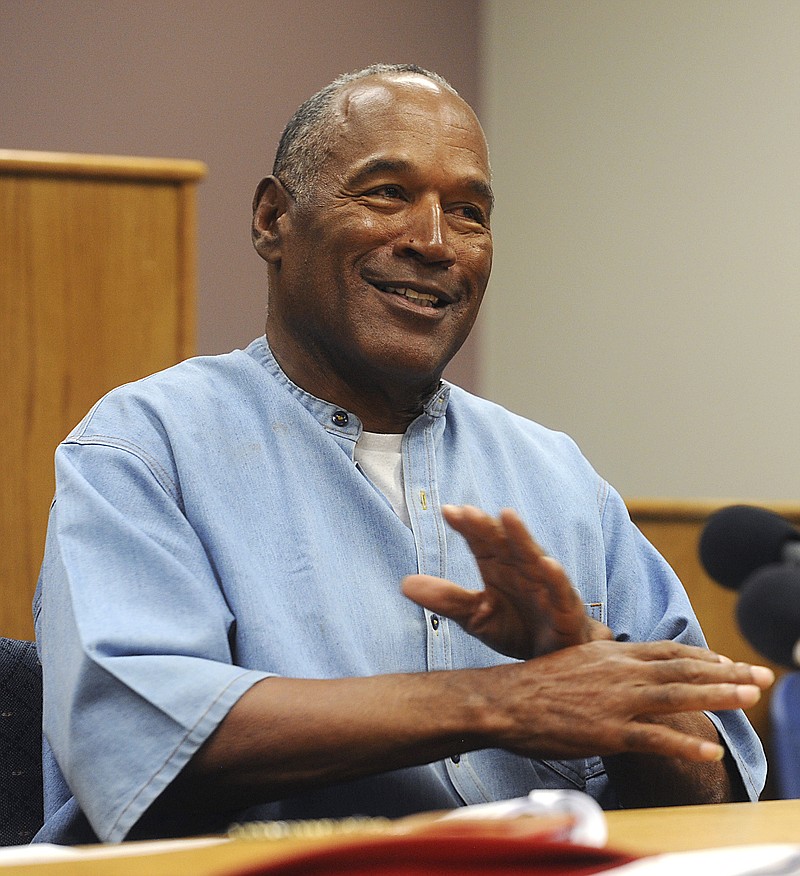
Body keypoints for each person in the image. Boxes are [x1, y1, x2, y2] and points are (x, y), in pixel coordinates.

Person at [34, 63, 770, 845]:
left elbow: (716, 795)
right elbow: (144, 739)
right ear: (272, 220)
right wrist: (505, 701)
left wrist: (587, 667)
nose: (433, 242)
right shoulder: (145, 446)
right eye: (387, 193)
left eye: (469, 212)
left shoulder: (559, 479)